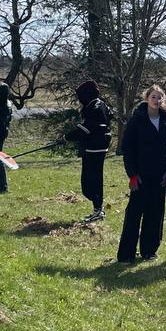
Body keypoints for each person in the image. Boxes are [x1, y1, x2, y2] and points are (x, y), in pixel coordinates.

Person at [117, 84, 166, 264]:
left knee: (155, 214)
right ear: (147, 99)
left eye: (160, 97)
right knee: (134, 215)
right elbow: (128, 149)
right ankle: (126, 254)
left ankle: (149, 251)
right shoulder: (137, 120)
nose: (157, 100)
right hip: (141, 176)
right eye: (153, 97)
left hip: (160, 177)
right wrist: (132, 174)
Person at [64, 79, 112, 223]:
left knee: (91, 181)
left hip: (95, 148)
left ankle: (98, 209)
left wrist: (67, 137)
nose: (79, 100)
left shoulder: (95, 107)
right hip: (96, 147)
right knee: (92, 179)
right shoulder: (98, 104)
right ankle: (98, 209)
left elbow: (86, 129)